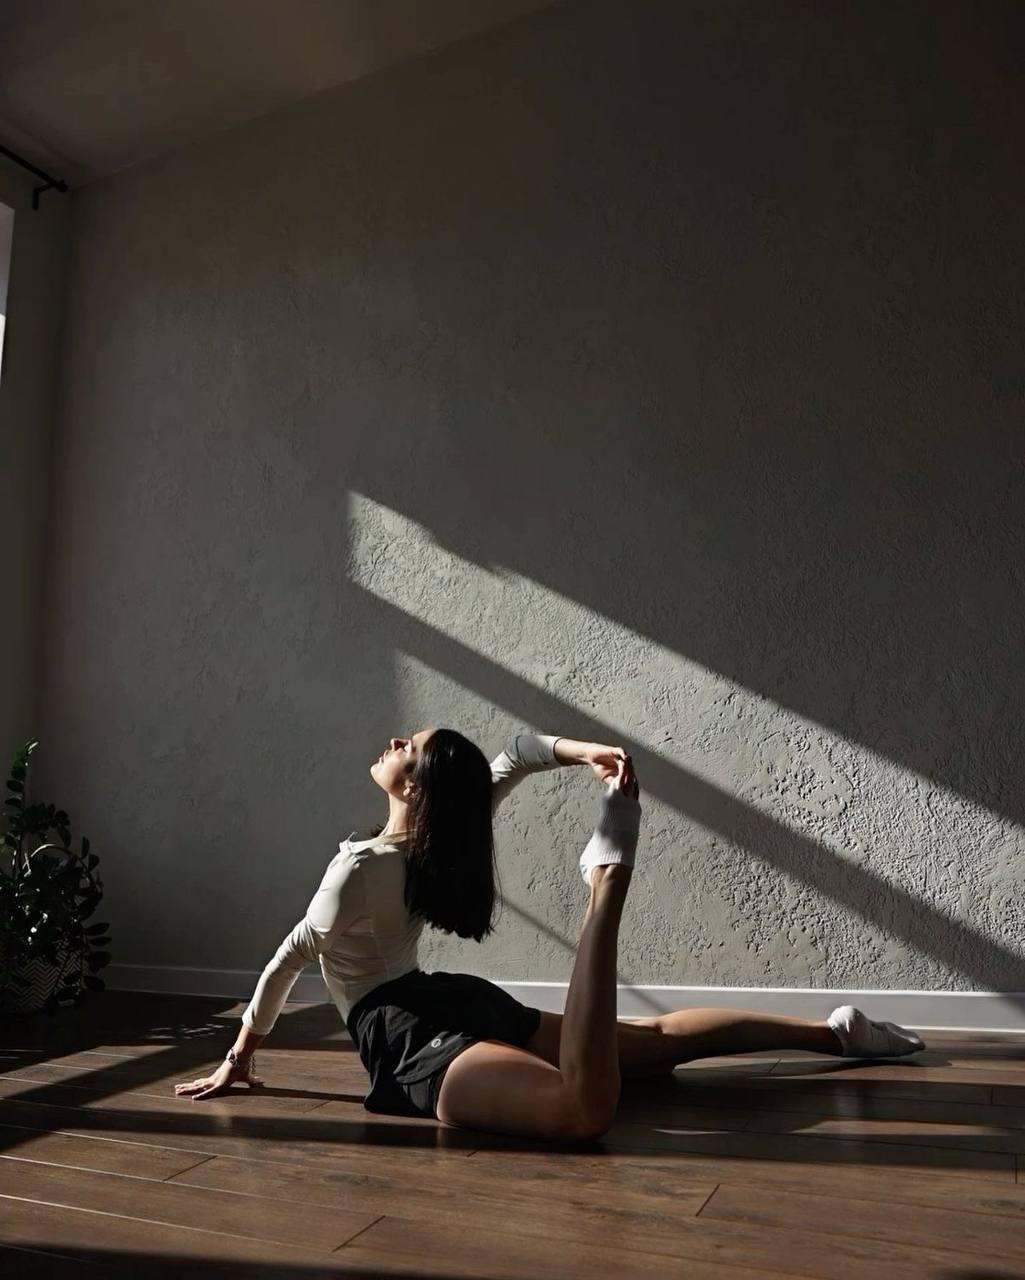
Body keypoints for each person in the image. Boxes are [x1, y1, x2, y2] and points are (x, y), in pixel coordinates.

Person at [175, 731, 924, 1140]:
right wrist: (584, 752)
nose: (393, 739)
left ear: (411, 787)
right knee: (653, 1044)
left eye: (405, 746)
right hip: (449, 999)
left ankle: (605, 886)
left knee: (582, 1108)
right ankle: (835, 1034)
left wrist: (239, 1057)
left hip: (402, 1032)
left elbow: (290, 958)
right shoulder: (447, 832)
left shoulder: (359, 867)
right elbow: (514, 755)